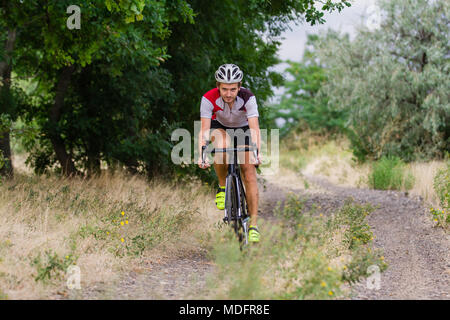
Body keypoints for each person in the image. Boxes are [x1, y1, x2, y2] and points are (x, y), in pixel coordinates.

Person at [197, 64, 262, 243]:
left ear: (239, 87)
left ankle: (254, 225)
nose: (228, 93)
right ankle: (222, 186)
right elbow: (204, 130)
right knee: (221, 145)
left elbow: (255, 128)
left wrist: (257, 152)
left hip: (244, 130)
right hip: (221, 128)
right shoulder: (208, 99)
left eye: (233, 89)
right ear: (218, 86)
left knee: (249, 172)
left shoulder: (248, 98)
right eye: (224, 89)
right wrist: (201, 154)